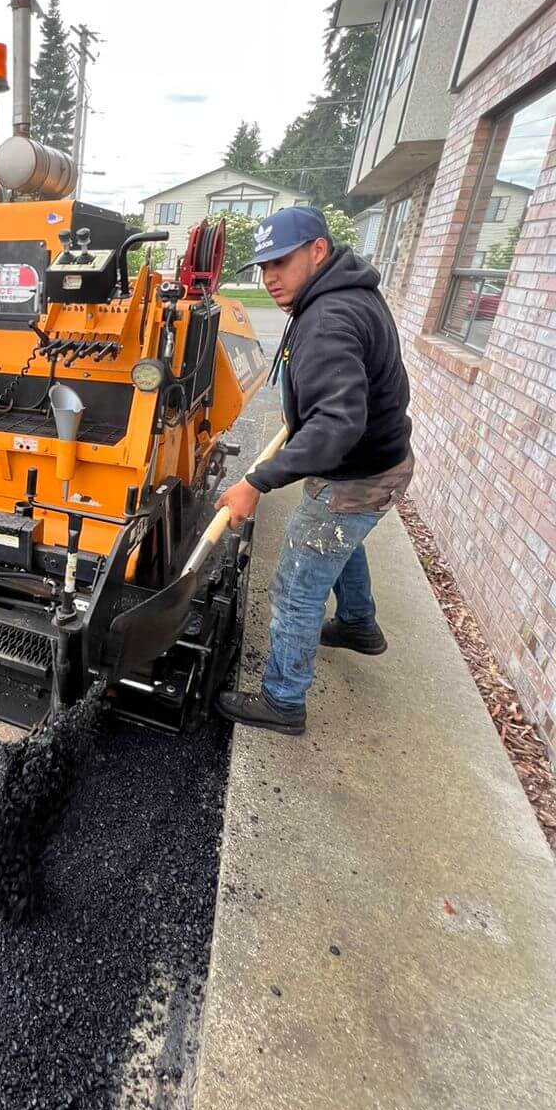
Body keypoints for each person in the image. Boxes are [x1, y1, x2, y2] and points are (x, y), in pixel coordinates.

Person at [213, 207, 412, 735]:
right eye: (262, 267)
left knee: (299, 581)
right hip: (382, 461)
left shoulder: (328, 318)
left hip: (358, 472)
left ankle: (282, 700)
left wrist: (256, 481)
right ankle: (357, 625)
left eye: (280, 262)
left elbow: (336, 426)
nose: (269, 277)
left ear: (317, 251)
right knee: (340, 537)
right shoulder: (347, 291)